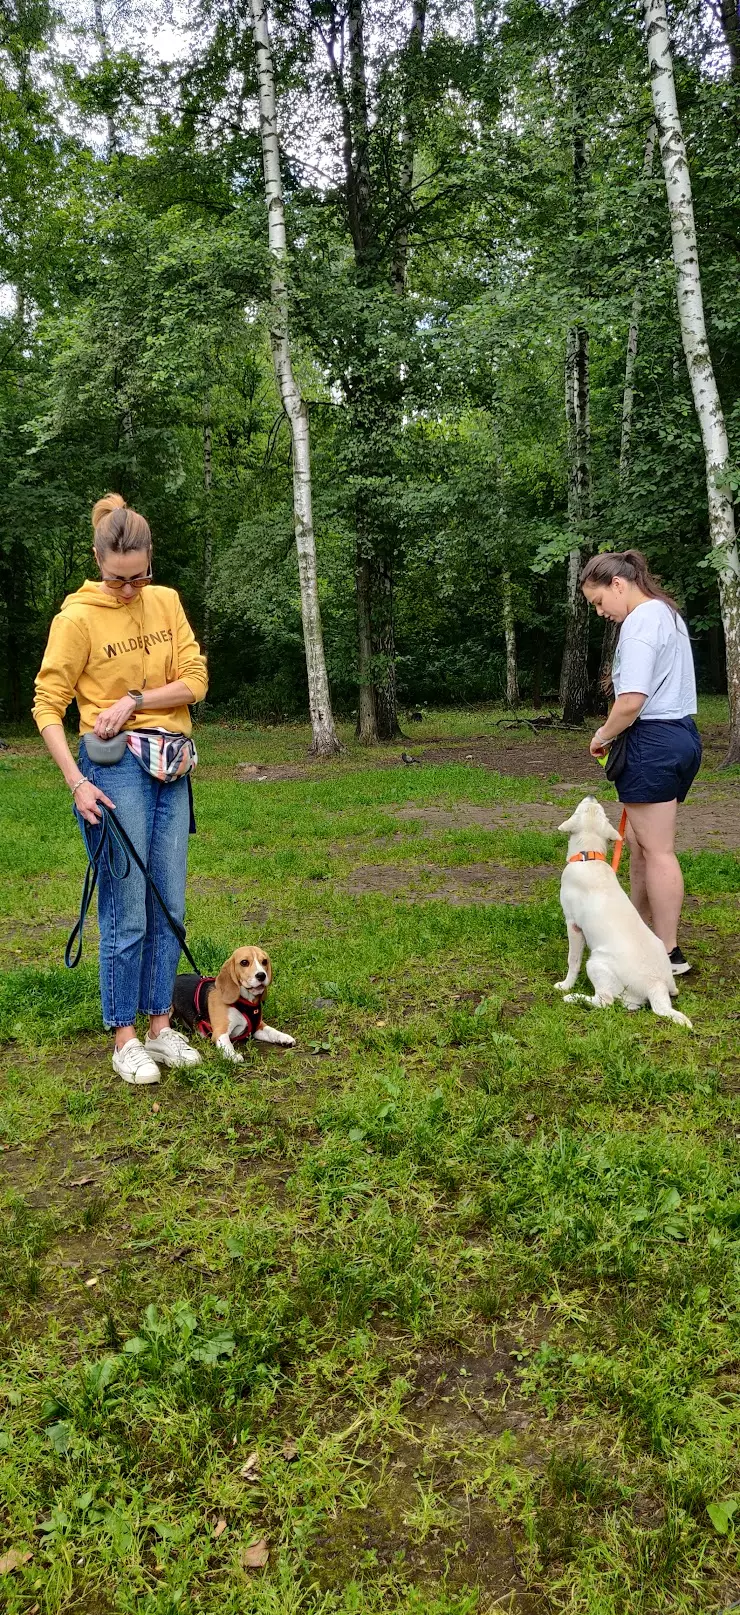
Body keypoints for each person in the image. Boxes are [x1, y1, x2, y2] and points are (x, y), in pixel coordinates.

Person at [33, 493, 209, 1084]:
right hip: (111, 771)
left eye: (140, 577)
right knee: (126, 907)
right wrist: (76, 782)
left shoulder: (167, 602)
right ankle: (124, 1037)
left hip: (171, 764)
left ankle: (161, 1026)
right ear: (98, 560)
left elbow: (196, 681)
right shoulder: (77, 618)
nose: (130, 590)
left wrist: (135, 699)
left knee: (168, 902)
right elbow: (47, 706)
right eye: (118, 580)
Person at [580, 549, 701, 975]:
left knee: (658, 850)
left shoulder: (638, 624)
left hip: (652, 740)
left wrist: (602, 735)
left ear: (618, 584)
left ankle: (667, 953)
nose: (600, 612)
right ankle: (635, 928)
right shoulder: (666, 613)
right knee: (641, 845)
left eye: (598, 601)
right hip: (680, 735)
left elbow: (631, 701)